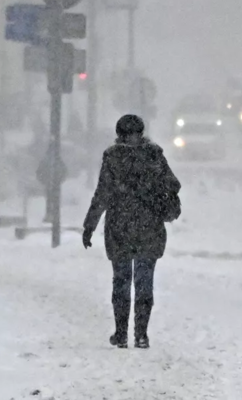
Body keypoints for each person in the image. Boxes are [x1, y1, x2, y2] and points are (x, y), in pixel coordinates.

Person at [82, 115, 181, 349]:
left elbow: (103, 193)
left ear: (119, 135)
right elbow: (173, 184)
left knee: (122, 283)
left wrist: (90, 225)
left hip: (120, 229)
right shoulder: (154, 154)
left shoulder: (114, 157)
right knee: (144, 284)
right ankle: (141, 334)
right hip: (149, 229)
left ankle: (121, 333)